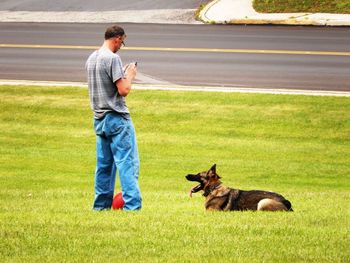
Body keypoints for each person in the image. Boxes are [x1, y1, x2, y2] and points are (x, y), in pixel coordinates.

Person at [85, 25, 142, 211]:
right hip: (117, 118)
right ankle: (132, 207)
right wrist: (130, 75)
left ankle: (100, 207)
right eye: (122, 42)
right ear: (117, 38)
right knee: (127, 164)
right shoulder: (112, 58)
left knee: (104, 166)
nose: (121, 46)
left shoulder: (92, 58)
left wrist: (122, 75)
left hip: (99, 119)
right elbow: (123, 90)